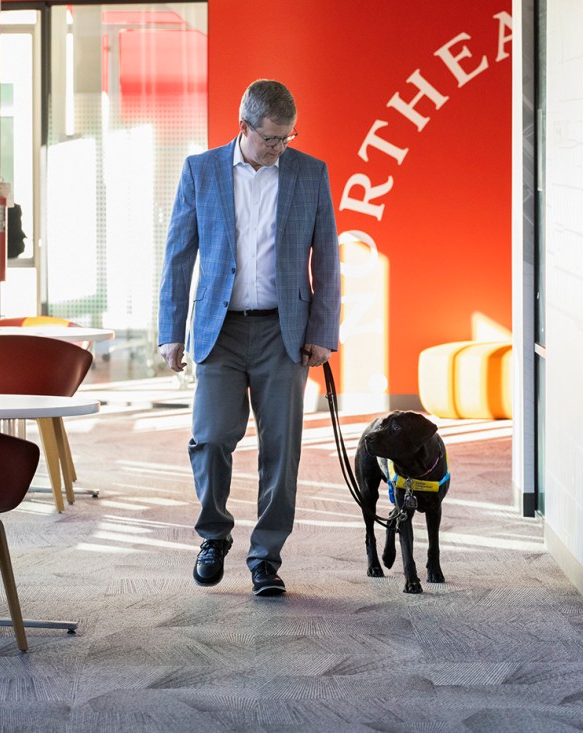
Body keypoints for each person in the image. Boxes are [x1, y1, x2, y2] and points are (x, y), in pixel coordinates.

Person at [157, 79, 340, 597]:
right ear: (244, 127)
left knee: (282, 451)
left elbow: (326, 257)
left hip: (285, 331)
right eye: (271, 139)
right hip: (221, 330)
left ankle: (266, 557)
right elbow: (178, 254)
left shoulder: (310, 173)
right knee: (211, 437)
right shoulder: (201, 170)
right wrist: (171, 330)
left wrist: (323, 331)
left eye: (287, 138)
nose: (280, 148)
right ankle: (213, 535)